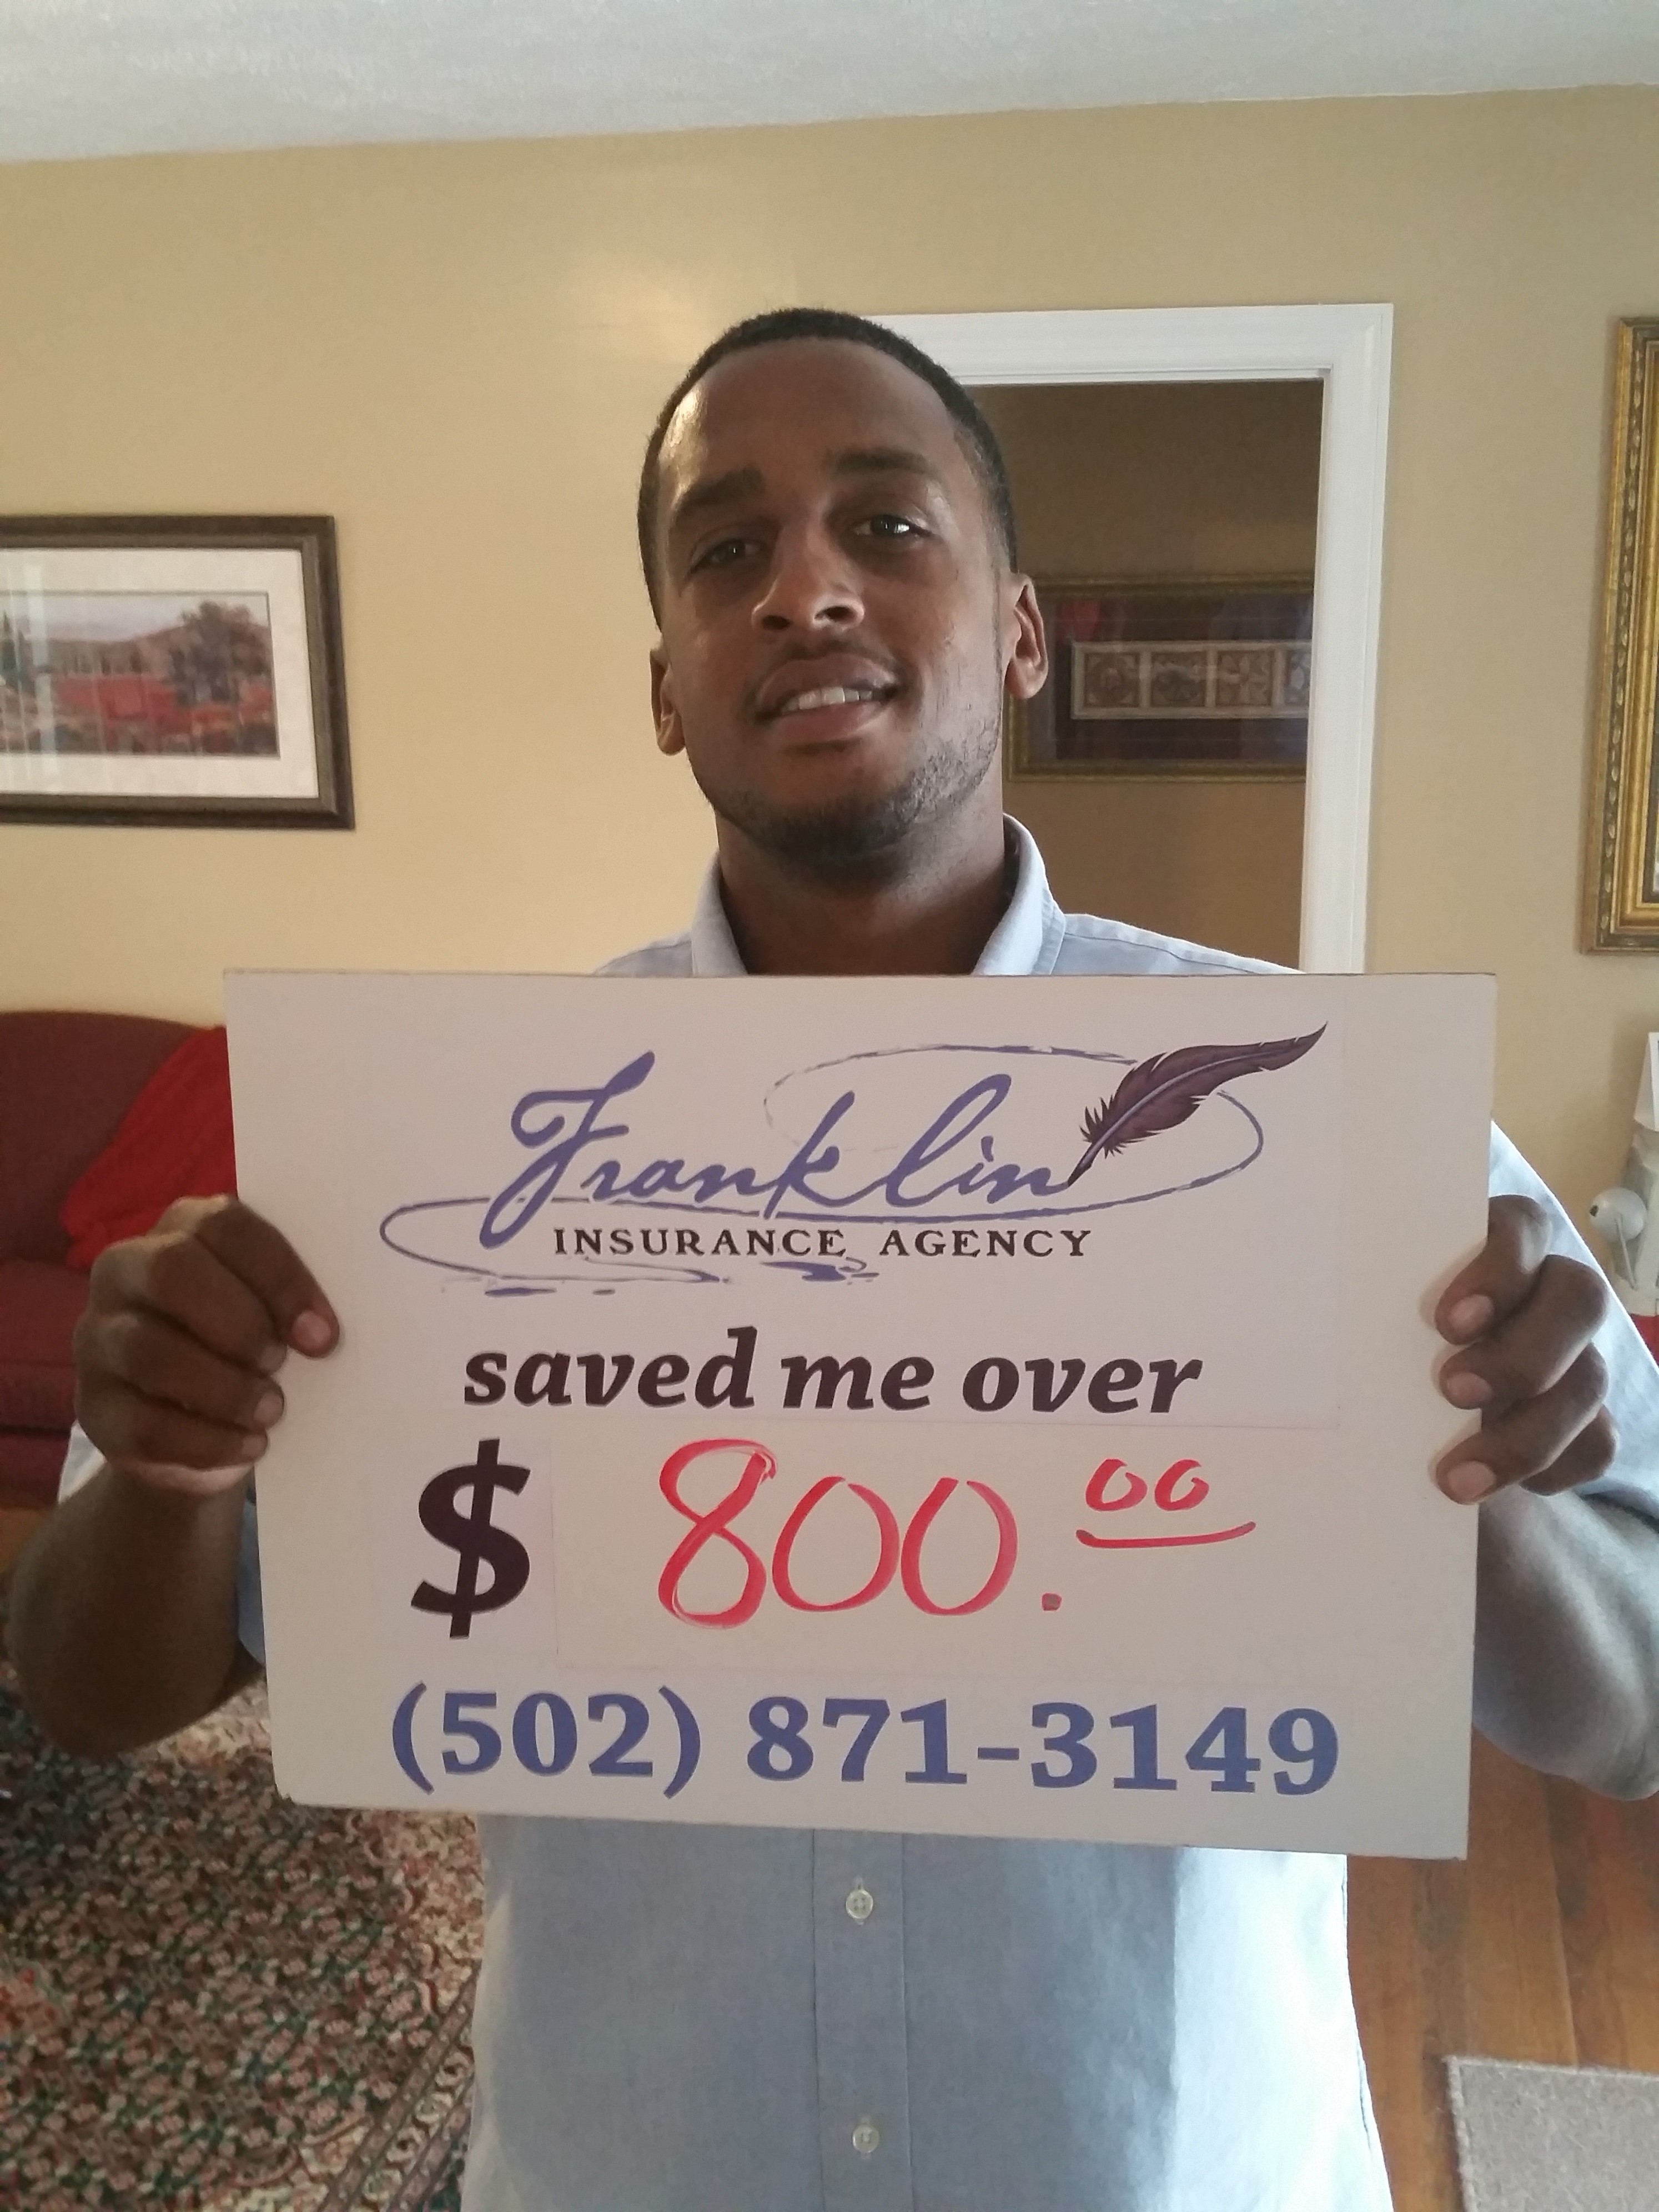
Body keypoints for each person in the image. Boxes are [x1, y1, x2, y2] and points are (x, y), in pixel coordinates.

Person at [11, 308, 1658, 2212]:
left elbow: (1625, 1714)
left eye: (886, 525)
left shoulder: (1333, 1129)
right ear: (665, 685)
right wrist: (169, 1460)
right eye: (727, 549)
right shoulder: (423, 1156)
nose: (803, 589)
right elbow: (88, 1695)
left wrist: (1480, 1468)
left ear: (1021, 632)